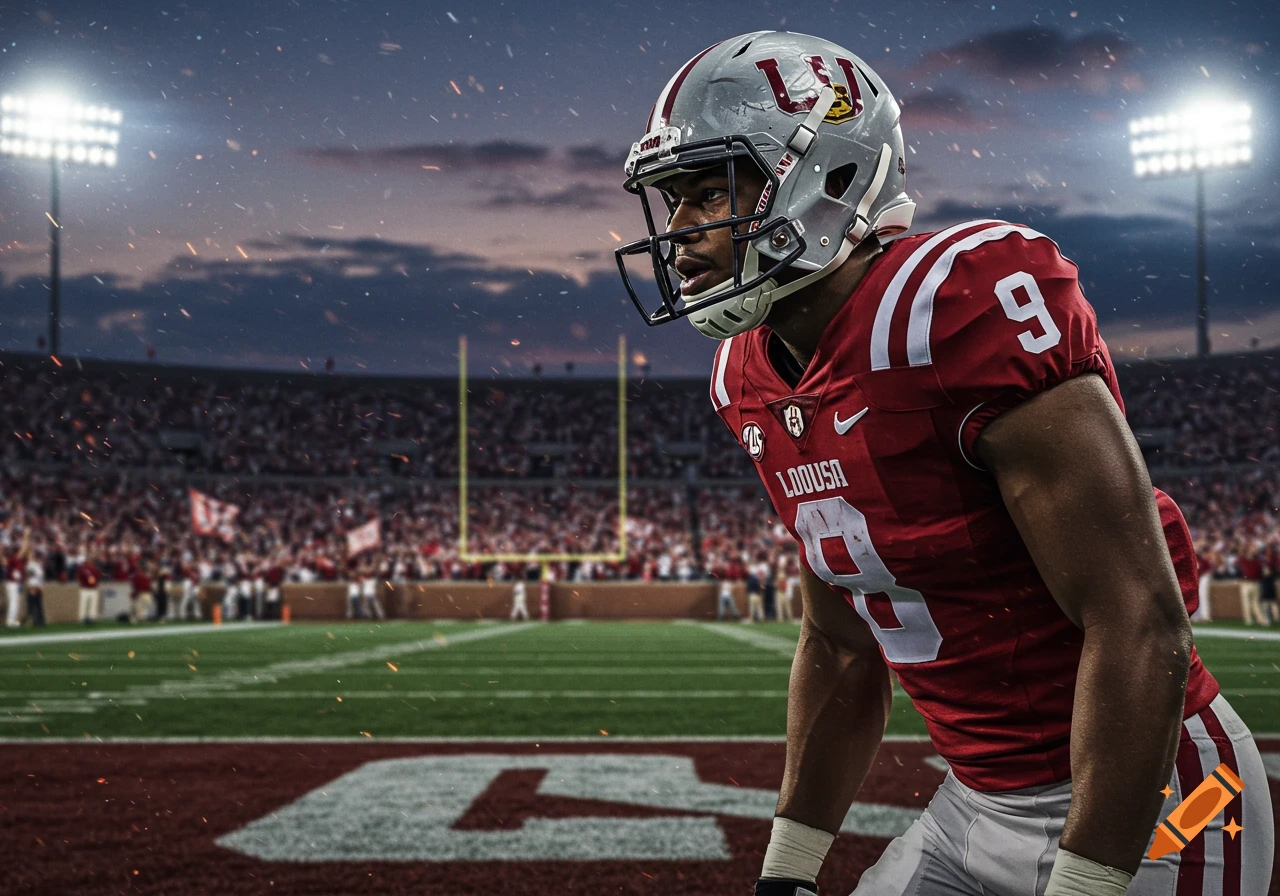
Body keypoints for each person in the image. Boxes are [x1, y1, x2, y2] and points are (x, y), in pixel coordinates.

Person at [615, 31, 1272, 896]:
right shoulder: (746, 376)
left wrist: (1083, 882)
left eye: (710, 192)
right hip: (978, 803)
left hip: (1166, 794)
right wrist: (789, 872)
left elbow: (1139, 620)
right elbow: (842, 644)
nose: (684, 235)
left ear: (831, 177)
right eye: (671, 203)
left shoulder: (955, 307)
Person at [77, 549, 102, 624]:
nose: (90, 560)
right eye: (88, 558)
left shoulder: (95, 569)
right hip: (85, 588)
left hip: (93, 588)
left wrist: (95, 583)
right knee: (83, 603)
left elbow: (98, 577)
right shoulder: (83, 569)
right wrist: (84, 584)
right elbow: (80, 577)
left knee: (93, 604)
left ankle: (92, 617)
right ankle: (82, 617)